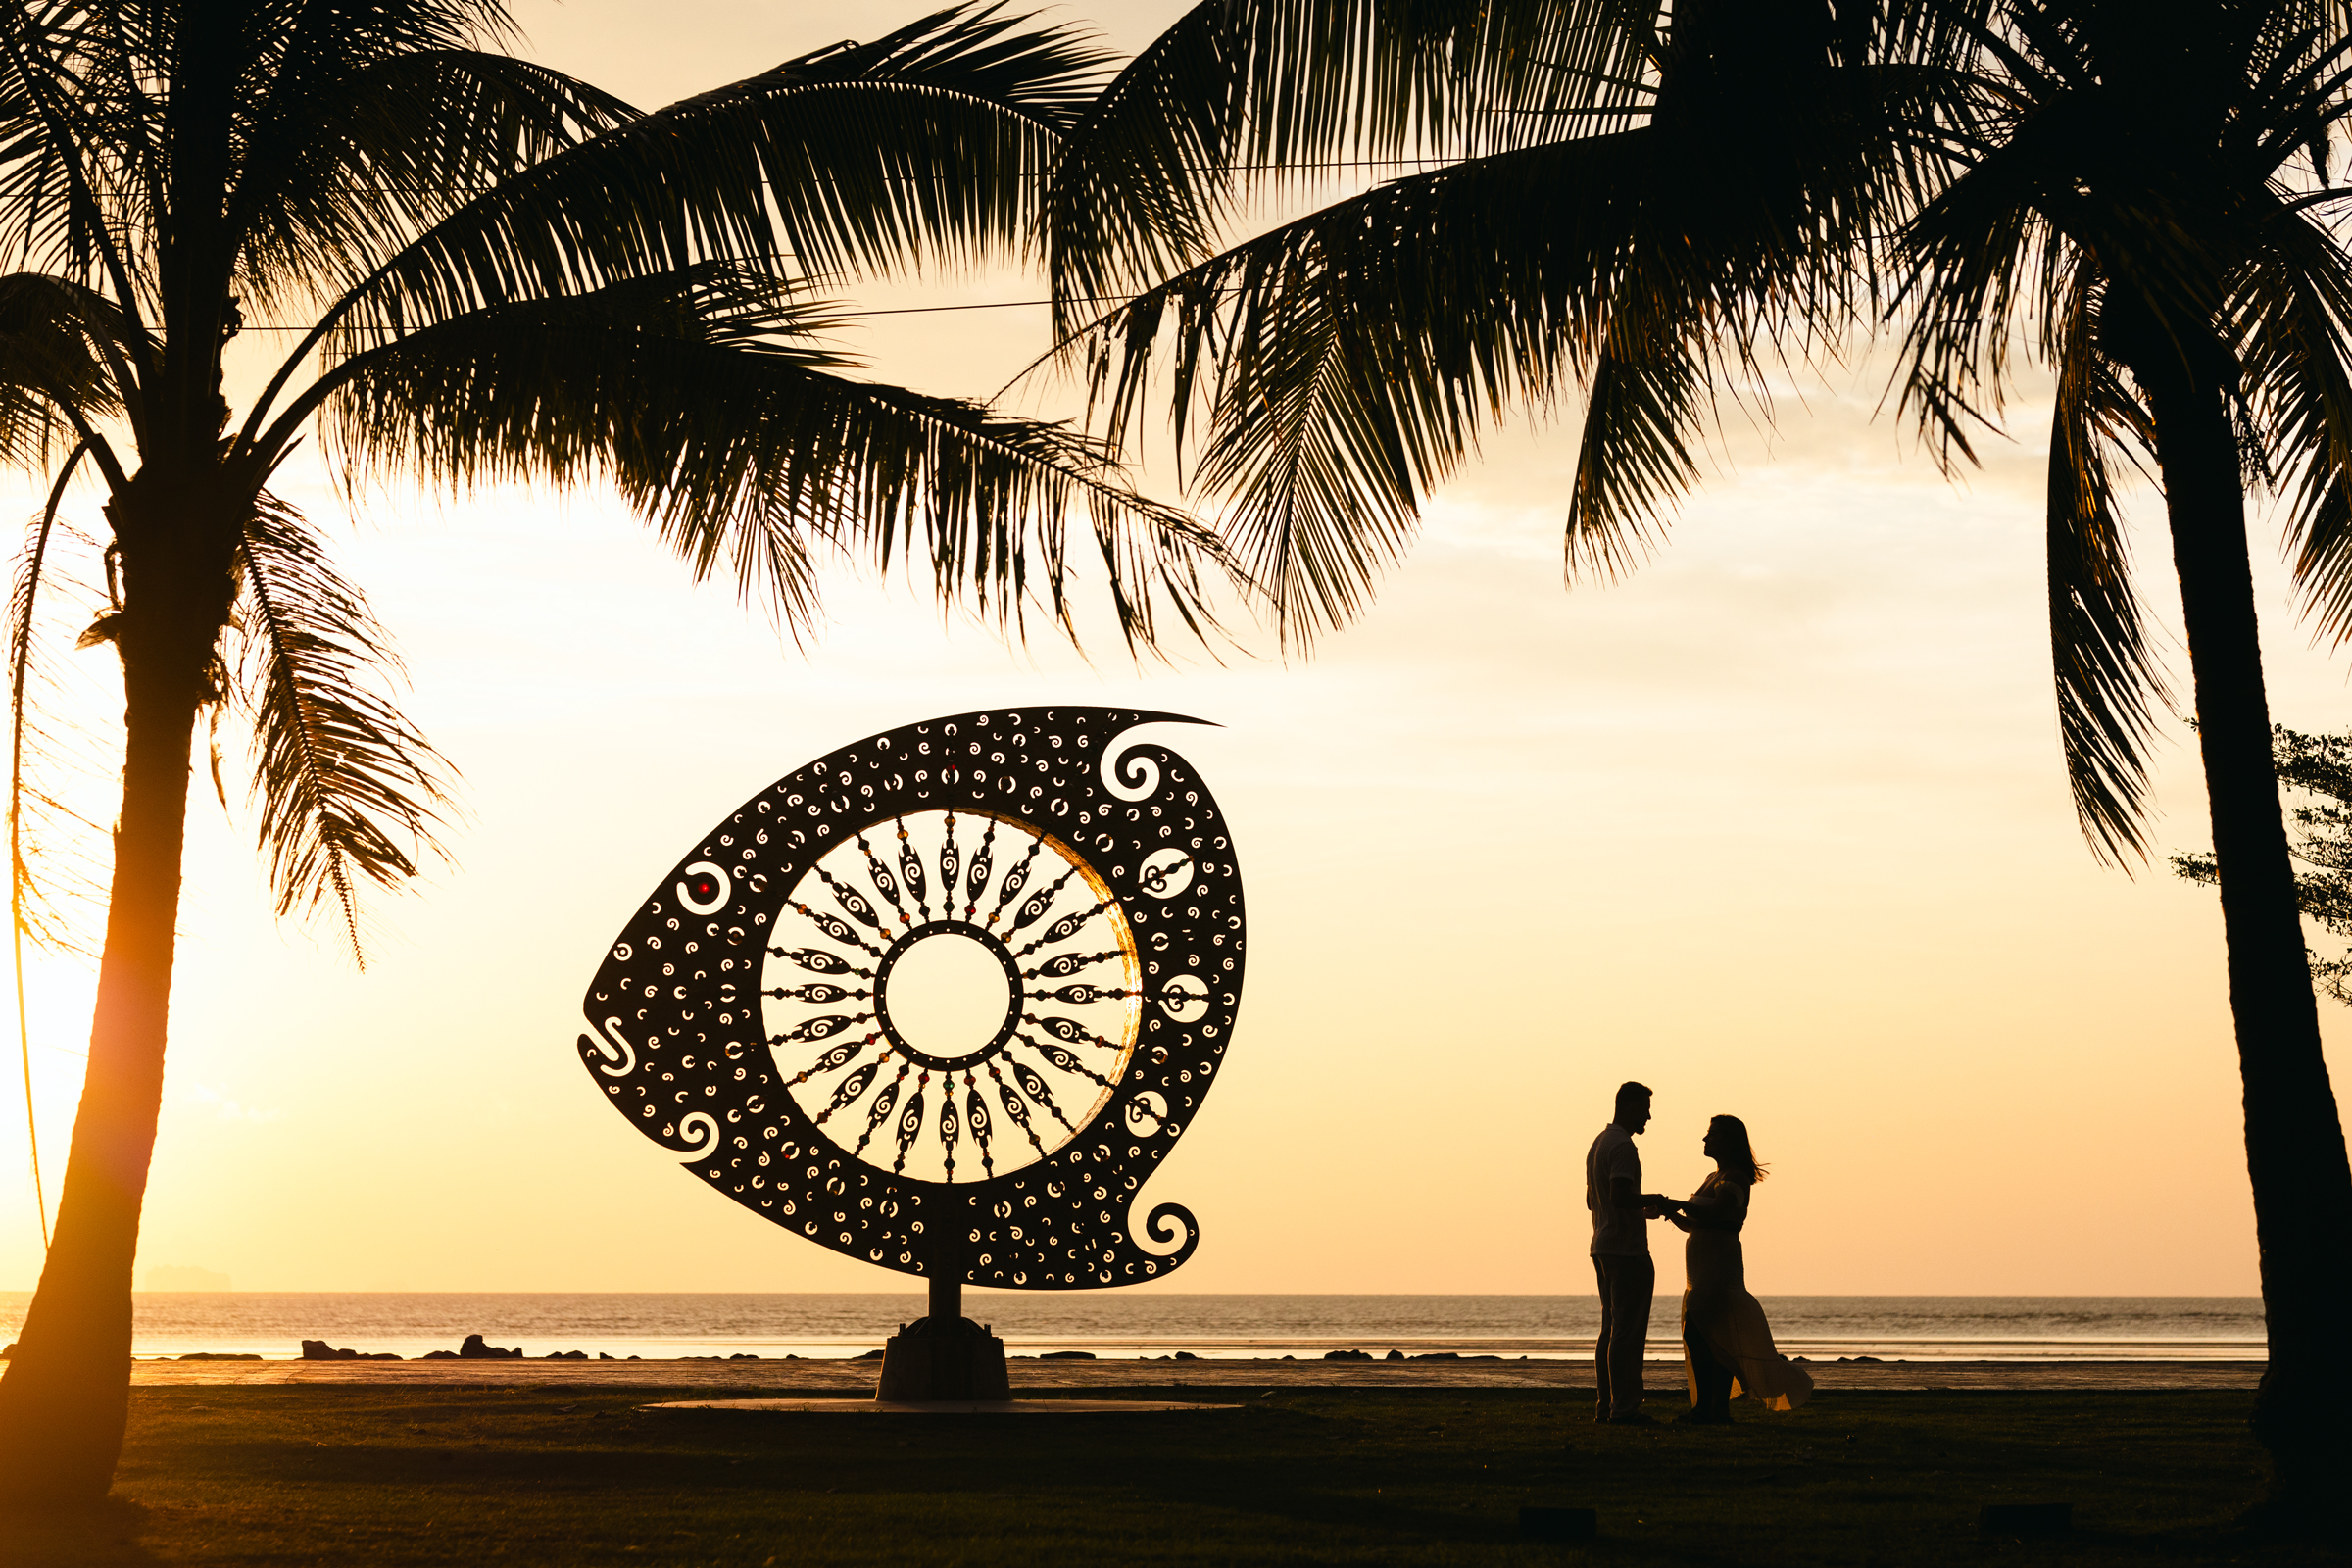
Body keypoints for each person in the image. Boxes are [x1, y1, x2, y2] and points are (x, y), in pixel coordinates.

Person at [1664, 1114, 1813, 1423]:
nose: (1705, 1139)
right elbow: (1695, 1224)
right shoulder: (1712, 1176)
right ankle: (1711, 1408)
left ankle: (1710, 1408)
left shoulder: (1735, 1178)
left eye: (1712, 1134)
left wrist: (1676, 1202)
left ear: (1729, 1141)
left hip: (1719, 1264)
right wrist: (1670, 1212)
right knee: (1704, 1336)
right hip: (1701, 1266)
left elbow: (1719, 1213)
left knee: (1703, 1332)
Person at [1586, 1081, 1676, 1424]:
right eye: (1645, 1108)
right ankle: (1624, 1408)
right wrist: (1655, 1200)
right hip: (1626, 1252)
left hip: (1603, 1245)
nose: (1649, 1117)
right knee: (1628, 1331)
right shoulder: (1623, 1146)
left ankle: (1606, 1405)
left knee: (1610, 1328)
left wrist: (1641, 1209)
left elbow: (1597, 1199)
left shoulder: (1599, 1144)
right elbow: (1621, 1196)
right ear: (1629, 1106)